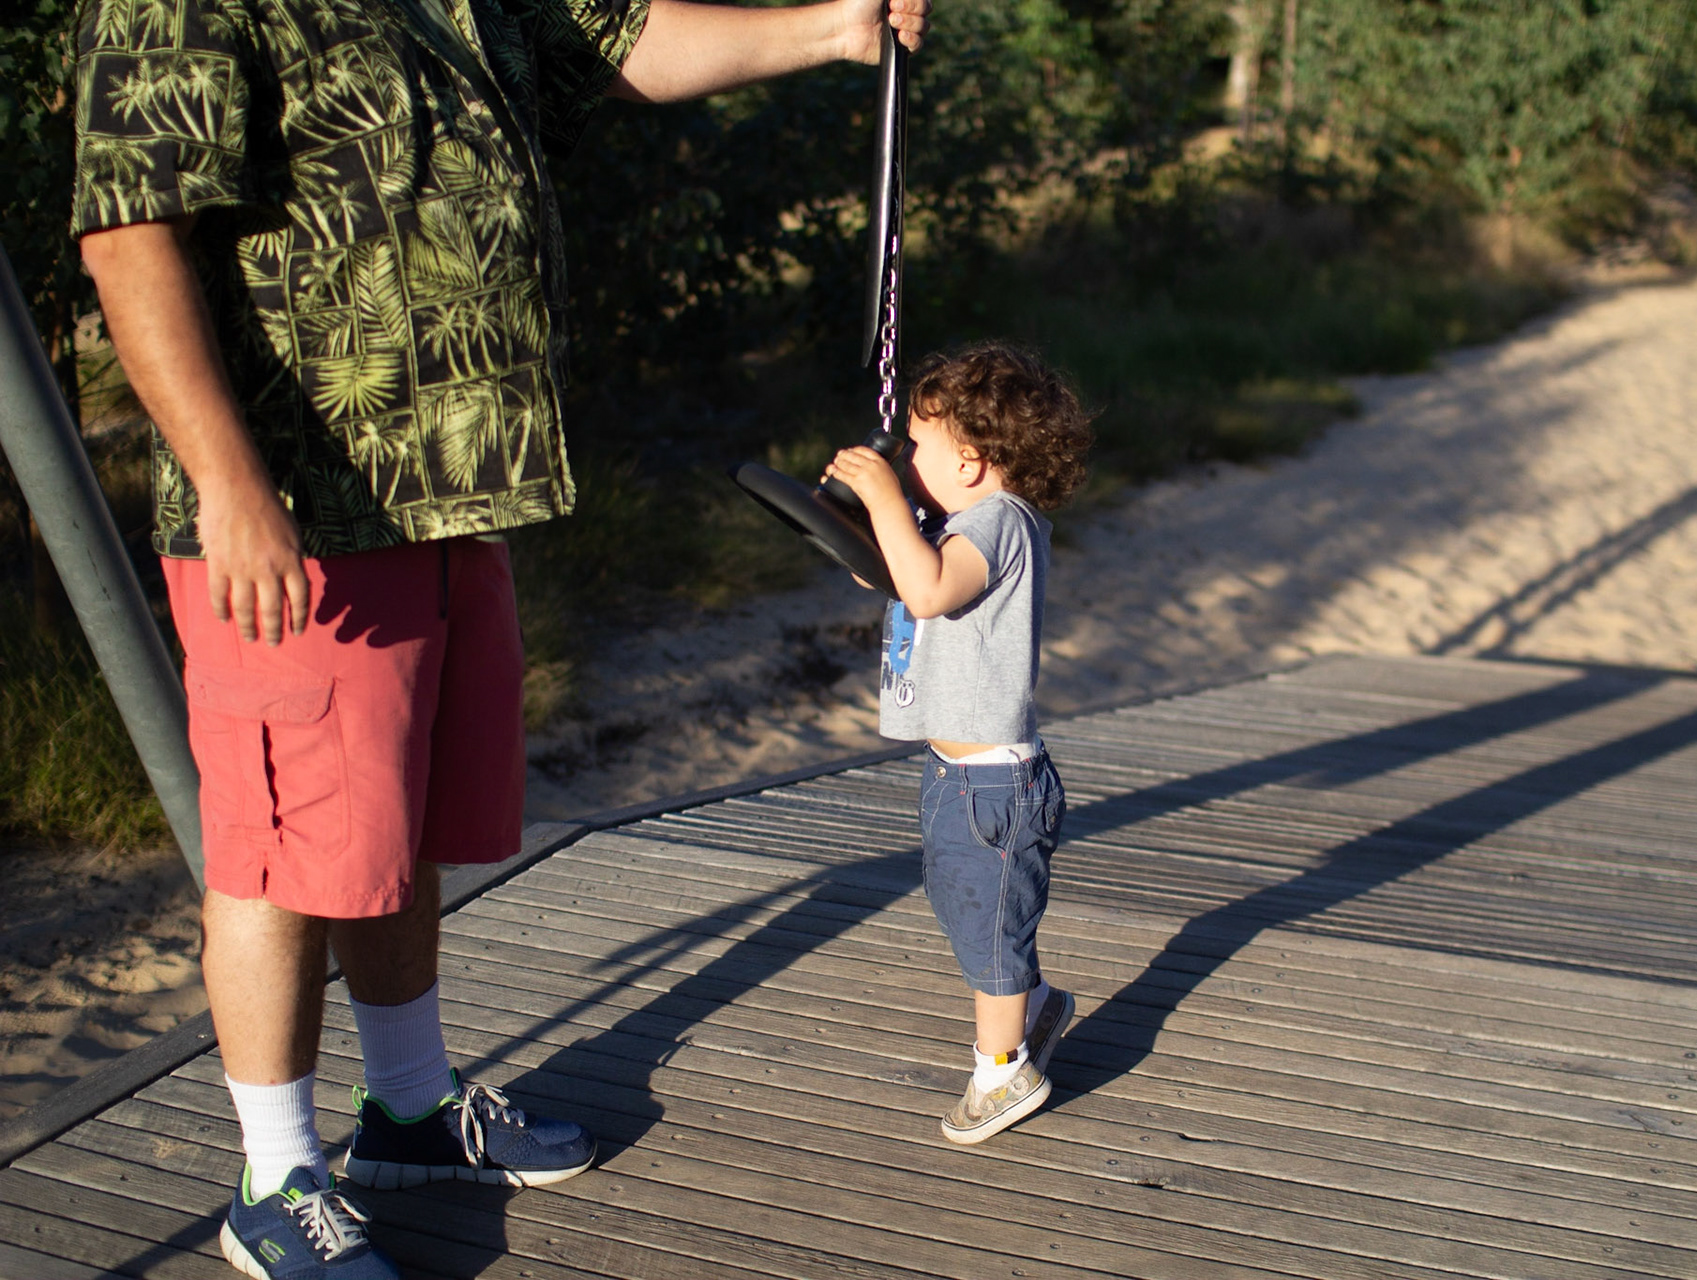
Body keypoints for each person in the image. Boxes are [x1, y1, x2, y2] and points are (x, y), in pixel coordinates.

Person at [71, 0, 928, 1272]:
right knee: (277, 855)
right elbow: (131, 234)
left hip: (452, 486)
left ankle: (410, 1109)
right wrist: (230, 482)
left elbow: (609, 37)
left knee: (398, 822)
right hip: (299, 504)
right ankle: (273, 1178)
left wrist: (836, 29)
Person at [823, 342, 1093, 1144]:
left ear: (970, 460)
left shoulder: (1000, 524)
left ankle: (1003, 1071)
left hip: (994, 786)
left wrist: (886, 498)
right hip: (957, 775)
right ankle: (1034, 1007)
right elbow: (889, 573)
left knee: (991, 931)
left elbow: (929, 588)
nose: (903, 459)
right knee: (966, 908)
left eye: (915, 444)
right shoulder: (958, 523)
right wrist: (862, 513)